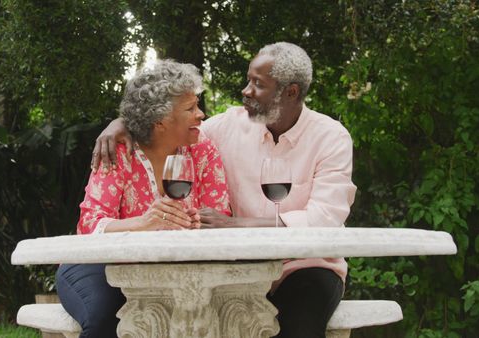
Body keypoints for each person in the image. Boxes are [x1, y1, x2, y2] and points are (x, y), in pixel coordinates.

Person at [92, 42, 357, 338]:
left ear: (290, 92)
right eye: (248, 80)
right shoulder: (228, 126)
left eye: (258, 84)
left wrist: (239, 224)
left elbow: (324, 220)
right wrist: (122, 124)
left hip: (305, 267)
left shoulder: (331, 138)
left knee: (297, 327)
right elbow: (169, 126)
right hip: (237, 273)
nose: (245, 90)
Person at [56, 59, 231, 338]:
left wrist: (200, 222)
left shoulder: (202, 150)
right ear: (160, 120)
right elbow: (89, 225)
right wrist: (144, 223)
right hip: (99, 263)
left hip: (174, 268)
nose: (201, 115)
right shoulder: (118, 151)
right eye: (190, 108)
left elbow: (219, 216)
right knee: (106, 316)